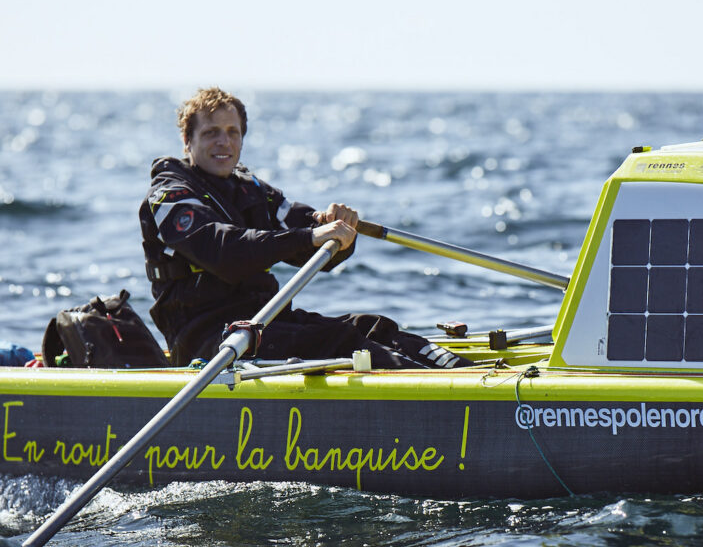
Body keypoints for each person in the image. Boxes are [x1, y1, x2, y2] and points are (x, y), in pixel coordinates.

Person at [140, 87, 472, 369]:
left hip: (266, 323)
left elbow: (305, 231)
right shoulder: (170, 195)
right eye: (211, 132)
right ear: (187, 141)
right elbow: (224, 251)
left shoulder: (250, 189)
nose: (224, 142)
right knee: (337, 341)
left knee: (373, 328)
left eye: (233, 132)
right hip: (210, 340)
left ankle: (467, 377)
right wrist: (309, 236)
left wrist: (334, 228)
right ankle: (428, 392)